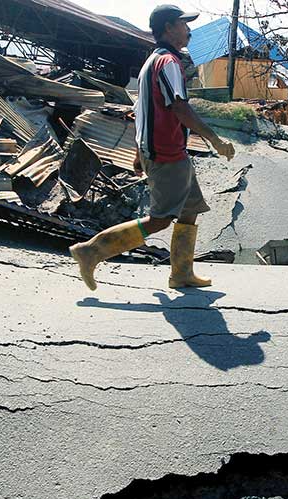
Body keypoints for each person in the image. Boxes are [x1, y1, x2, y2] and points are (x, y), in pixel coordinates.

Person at [69, 4, 235, 290]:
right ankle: (91, 251)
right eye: (184, 24)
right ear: (169, 28)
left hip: (165, 151)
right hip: (167, 153)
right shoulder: (168, 62)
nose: (189, 30)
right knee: (160, 220)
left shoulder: (151, 62)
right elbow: (180, 108)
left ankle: (181, 273)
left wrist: (137, 153)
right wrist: (216, 140)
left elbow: (141, 110)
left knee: (189, 210)